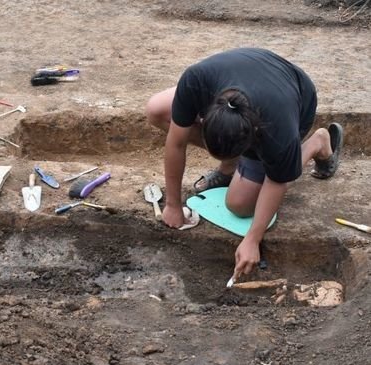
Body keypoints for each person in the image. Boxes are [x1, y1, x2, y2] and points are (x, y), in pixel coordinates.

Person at [145, 48, 344, 280]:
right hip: (247, 77)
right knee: (156, 110)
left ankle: (317, 143)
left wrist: (252, 239)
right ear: (205, 117)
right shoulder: (195, 81)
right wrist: (172, 204)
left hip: (296, 97)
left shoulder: (277, 129)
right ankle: (230, 168)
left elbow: (277, 181)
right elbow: (176, 143)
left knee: (240, 205)